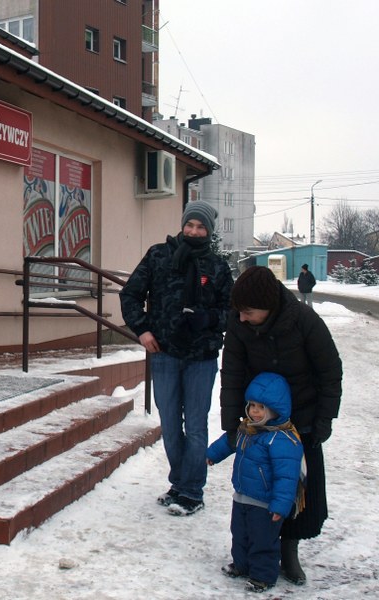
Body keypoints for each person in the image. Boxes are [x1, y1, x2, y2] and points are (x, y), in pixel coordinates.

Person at [220, 265, 342, 585]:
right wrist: (231, 424)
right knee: (261, 487)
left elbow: (330, 371)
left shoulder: (304, 321)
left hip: (302, 418)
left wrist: (325, 418)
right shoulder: (239, 322)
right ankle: (258, 549)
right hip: (261, 419)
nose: (241, 318)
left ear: (268, 306)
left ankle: (289, 548)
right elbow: (232, 372)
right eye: (239, 311)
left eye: (248, 312)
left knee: (297, 488)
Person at [120, 200, 233, 516]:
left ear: (209, 231)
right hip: (165, 354)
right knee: (170, 426)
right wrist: (142, 330)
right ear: (183, 225)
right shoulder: (159, 255)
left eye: (201, 227)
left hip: (201, 358)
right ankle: (179, 484)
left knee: (195, 427)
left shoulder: (218, 267)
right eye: (190, 225)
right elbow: (130, 294)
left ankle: (192, 492)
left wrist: (209, 319)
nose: (194, 231)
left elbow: (233, 311)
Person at [207, 372, 305, 593]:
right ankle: (241, 565)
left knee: (263, 540)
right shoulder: (247, 429)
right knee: (240, 534)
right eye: (252, 406)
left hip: (265, 502)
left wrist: (280, 505)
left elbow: (286, 476)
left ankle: (263, 576)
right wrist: (212, 454)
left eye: (261, 407)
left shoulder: (282, 439)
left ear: (275, 410)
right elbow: (228, 443)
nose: (254, 411)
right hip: (242, 495)